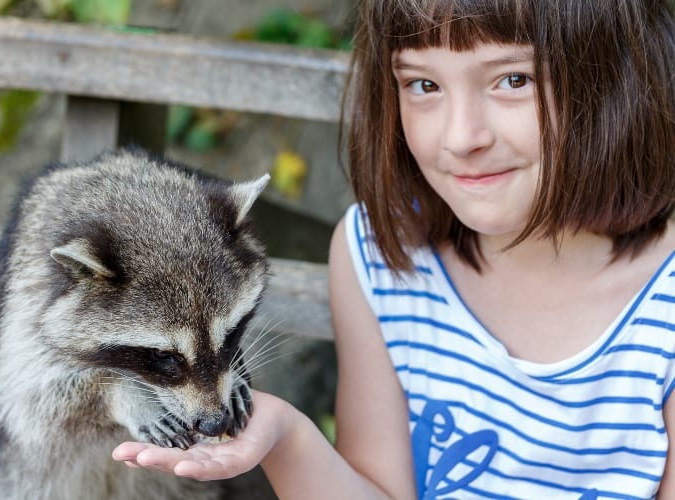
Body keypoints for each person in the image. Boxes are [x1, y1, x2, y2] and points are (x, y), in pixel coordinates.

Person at [112, 0, 675, 497]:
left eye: (512, 79)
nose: (461, 136)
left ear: (619, 76)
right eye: (423, 85)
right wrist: (285, 437)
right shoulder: (377, 257)